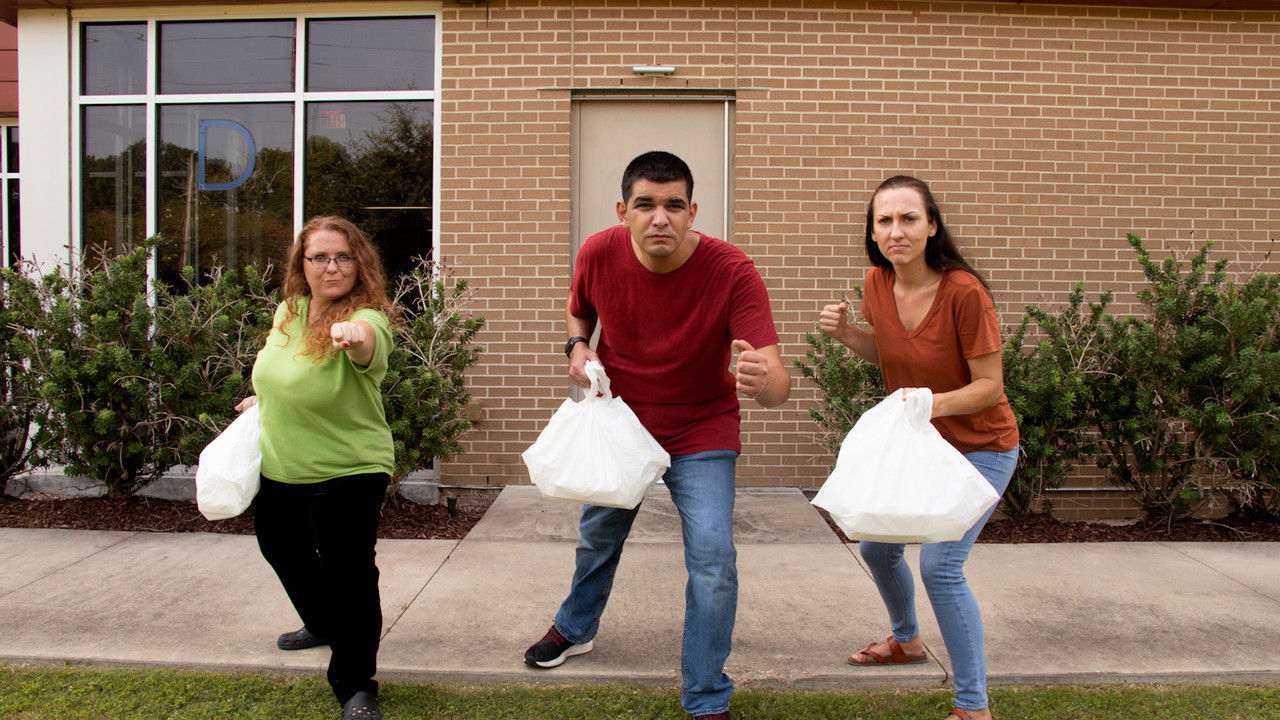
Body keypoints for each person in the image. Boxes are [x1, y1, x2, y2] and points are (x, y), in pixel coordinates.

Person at [523, 151, 792, 720]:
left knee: (714, 558)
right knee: (598, 536)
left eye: (673, 205)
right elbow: (580, 314)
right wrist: (577, 347)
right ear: (624, 211)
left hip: (703, 426)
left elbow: (778, 385)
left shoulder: (732, 270)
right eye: (645, 204)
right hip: (623, 424)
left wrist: (763, 381)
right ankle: (575, 628)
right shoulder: (598, 252)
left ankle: (705, 695)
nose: (659, 218)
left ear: (693, 211)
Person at [816, 176, 1019, 720]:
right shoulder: (877, 284)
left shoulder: (964, 293)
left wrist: (929, 404)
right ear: (873, 232)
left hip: (982, 448)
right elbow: (891, 354)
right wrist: (845, 336)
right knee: (879, 549)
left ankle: (973, 708)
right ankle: (906, 642)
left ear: (932, 226)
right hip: (919, 446)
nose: (896, 230)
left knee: (941, 567)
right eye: (885, 220)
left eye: (909, 218)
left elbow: (989, 387)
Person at [236, 216, 397, 720]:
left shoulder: (368, 318)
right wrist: (262, 399)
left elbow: (369, 345)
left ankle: (356, 687)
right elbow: (278, 370)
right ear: (301, 266)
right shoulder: (291, 310)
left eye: (343, 257)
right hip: (283, 463)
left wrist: (353, 334)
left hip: (348, 467)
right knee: (279, 546)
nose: (332, 267)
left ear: (359, 263)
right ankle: (325, 623)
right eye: (320, 257)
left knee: (349, 573)